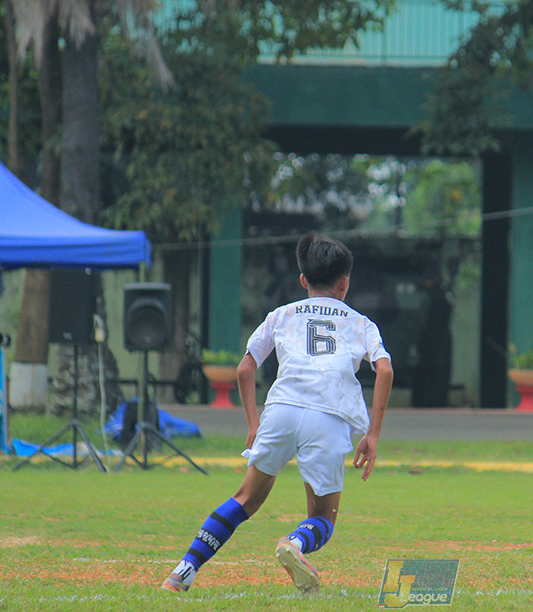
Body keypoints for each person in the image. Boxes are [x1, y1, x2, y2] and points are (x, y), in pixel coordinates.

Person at [162, 233, 393, 593]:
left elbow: (244, 370)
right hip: (328, 417)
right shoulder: (360, 323)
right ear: (345, 283)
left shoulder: (282, 315)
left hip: (281, 410)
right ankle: (295, 545)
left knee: (244, 500)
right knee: (322, 518)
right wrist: (373, 435)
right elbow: (385, 370)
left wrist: (254, 424)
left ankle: (183, 570)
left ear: (303, 280)